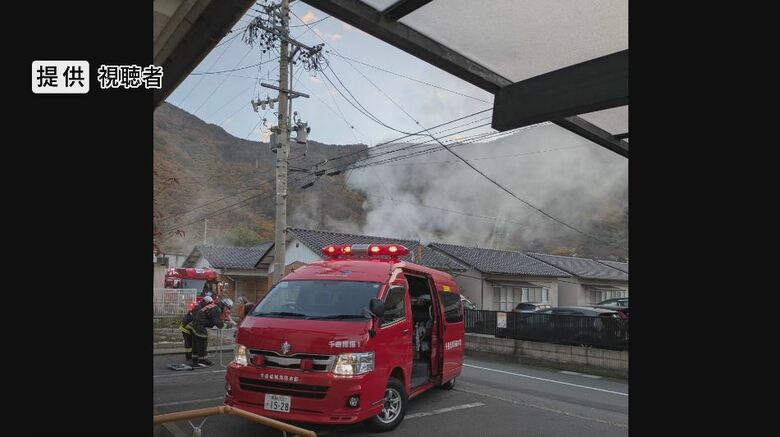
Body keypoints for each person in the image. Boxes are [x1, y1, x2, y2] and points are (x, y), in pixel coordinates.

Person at [189, 297, 234, 367]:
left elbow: (212, 318)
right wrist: (227, 325)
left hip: (195, 323)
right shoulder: (217, 309)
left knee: (196, 342)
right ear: (224, 306)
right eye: (228, 308)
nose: (228, 310)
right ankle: (203, 360)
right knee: (202, 342)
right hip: (200, 325)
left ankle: (195, 359)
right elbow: (218, 323)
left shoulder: (214, 306)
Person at [178, 295, 213, 362]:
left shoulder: (201, 306)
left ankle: (192, 357)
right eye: (209, 304)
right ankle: (189, 358)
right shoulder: (199, 308)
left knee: (193, 342)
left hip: (190, 326)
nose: (210, 305)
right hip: (186, 327)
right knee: (189, 343)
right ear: (206, 302)